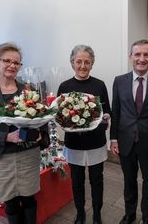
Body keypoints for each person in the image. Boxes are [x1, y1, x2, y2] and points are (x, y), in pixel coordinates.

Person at [0, 42, 50, 224]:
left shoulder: (28, 89)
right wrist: (7, 137)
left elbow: (42, 118)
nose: (12, 65)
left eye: (16, 63)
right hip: (2, 156)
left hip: (28, 154)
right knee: (10, 202)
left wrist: (41, 136)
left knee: (29, 198)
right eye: (6, 60)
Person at [110, 39, 148, 224]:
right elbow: (116, 112)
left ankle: (146, 216)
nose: (141, 59)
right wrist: (113, 139)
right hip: (125, 140)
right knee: (129, 181)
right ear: (130, 57)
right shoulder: (119, 81)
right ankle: (129, 214)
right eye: (137, 54)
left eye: (146, 54)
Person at [57, 44, 111, 224]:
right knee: (77, 181)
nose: (82, 66)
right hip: (74, 143)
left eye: (87, 62)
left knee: (97, 180)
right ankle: (80, 213)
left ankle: (97, 214)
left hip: (96, 142)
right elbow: (59, 116)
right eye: (78, 61)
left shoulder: (99, 85)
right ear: (72, 63)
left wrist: (105, 117)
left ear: (92, 64)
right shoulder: (64, 86)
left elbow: (107, 110)